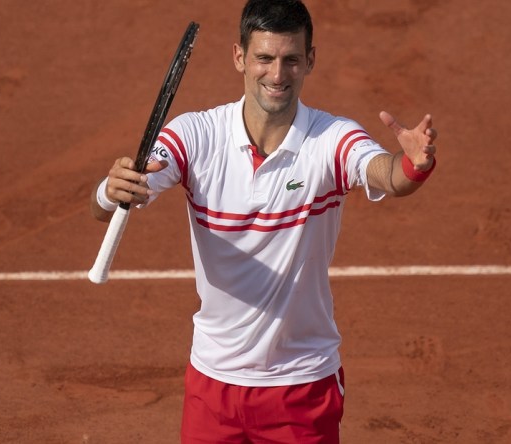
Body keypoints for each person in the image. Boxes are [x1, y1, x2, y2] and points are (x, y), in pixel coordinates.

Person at [90, 0, 438, 442]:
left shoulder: (332, 139)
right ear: (239, 57)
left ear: (310, 60)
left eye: (291, 59)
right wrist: (110, 189)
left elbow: (384, 174)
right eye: (264, 58)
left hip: (301, 385)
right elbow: (109, 204)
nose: (277, 75)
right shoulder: (195, 135)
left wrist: (412, 166)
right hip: (212, 383)